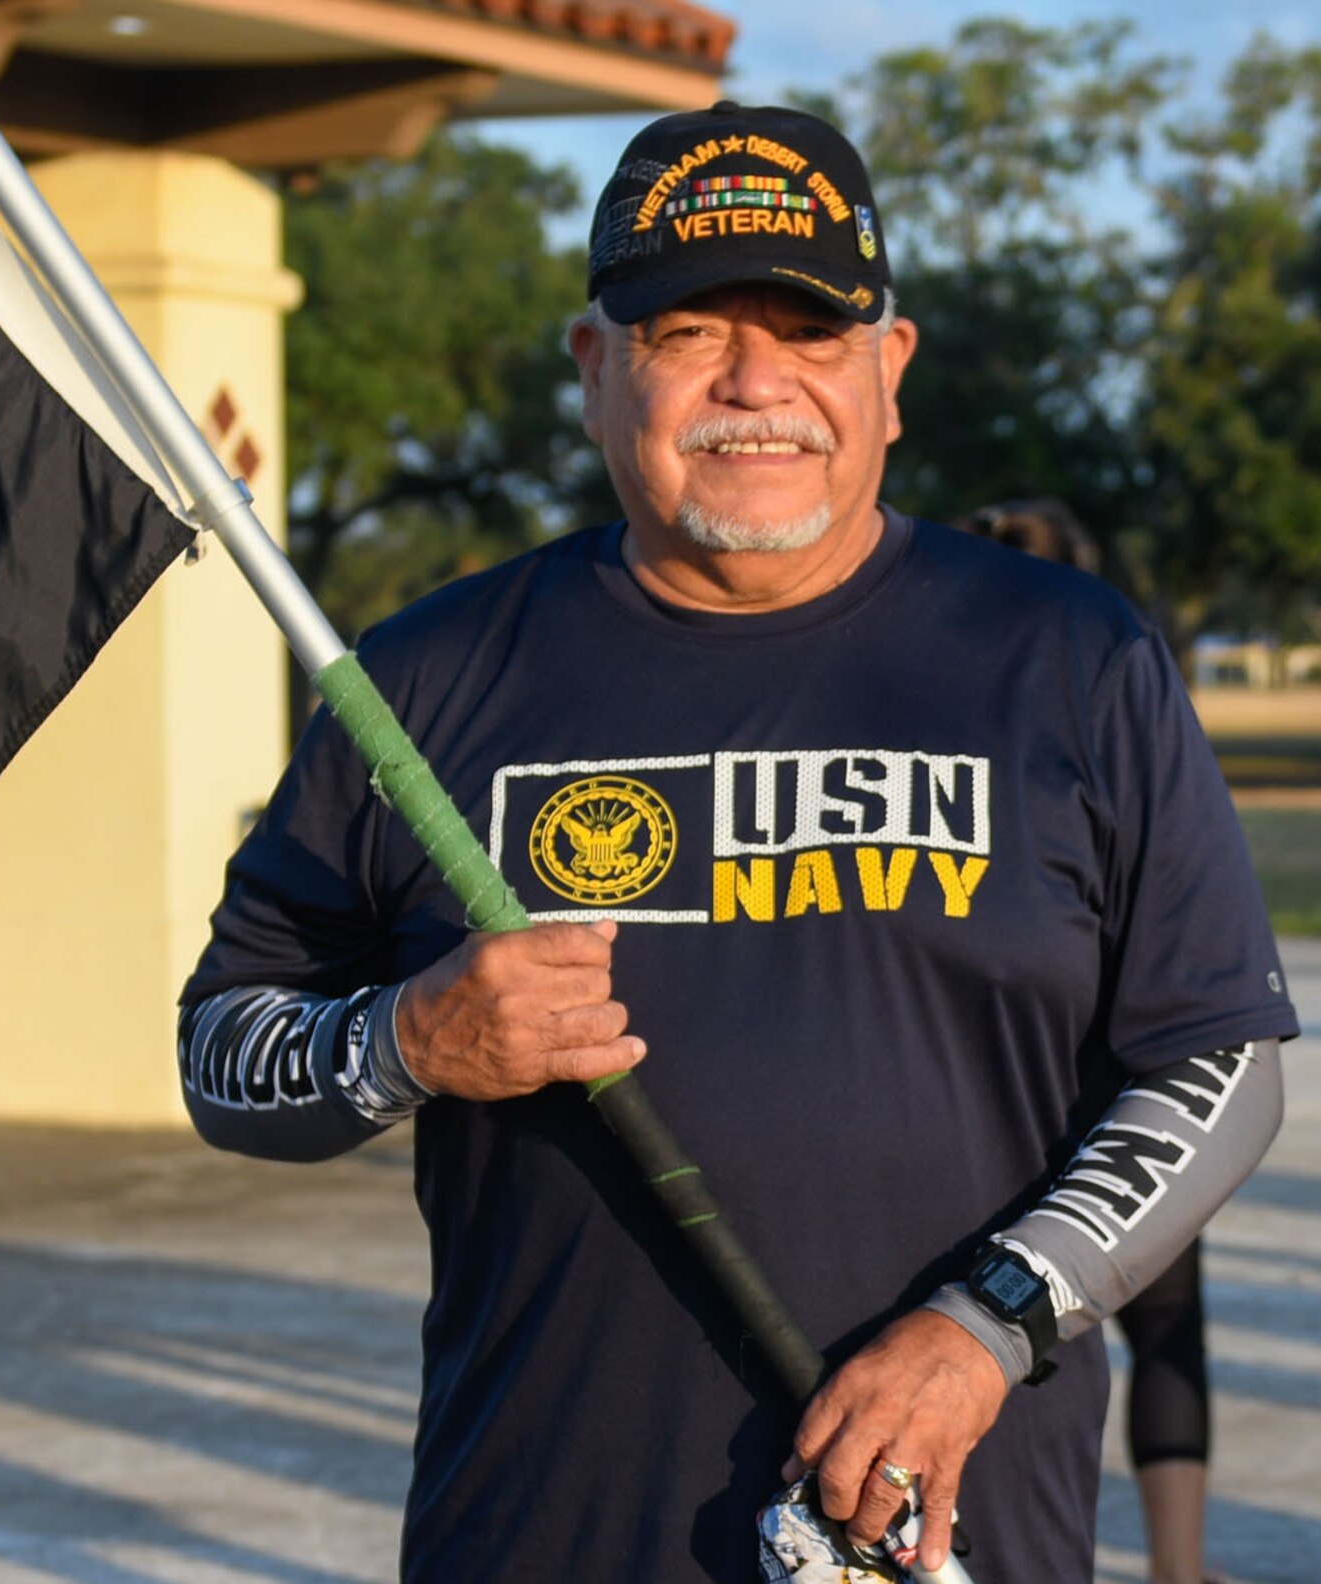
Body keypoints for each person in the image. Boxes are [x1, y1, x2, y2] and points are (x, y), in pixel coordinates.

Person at [178, 102, 1297, 1584]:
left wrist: (985, 1328)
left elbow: (1218, 1067)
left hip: (948, 1540)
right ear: (595, 371)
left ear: (889, 372)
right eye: (690, 332)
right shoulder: (425, 677)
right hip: (535, 1535)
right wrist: (407, 1040)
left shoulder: (1067, 658)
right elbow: (221, 1050)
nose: (757, 381)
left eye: (812, 332)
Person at [958, 498, 1220, 1584]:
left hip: (991, 1080)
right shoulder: (1109, 685)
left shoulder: (916, 697)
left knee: (982, 1334)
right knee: (1161, 1320)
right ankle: (1175, 1567)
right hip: (1118, 1065)